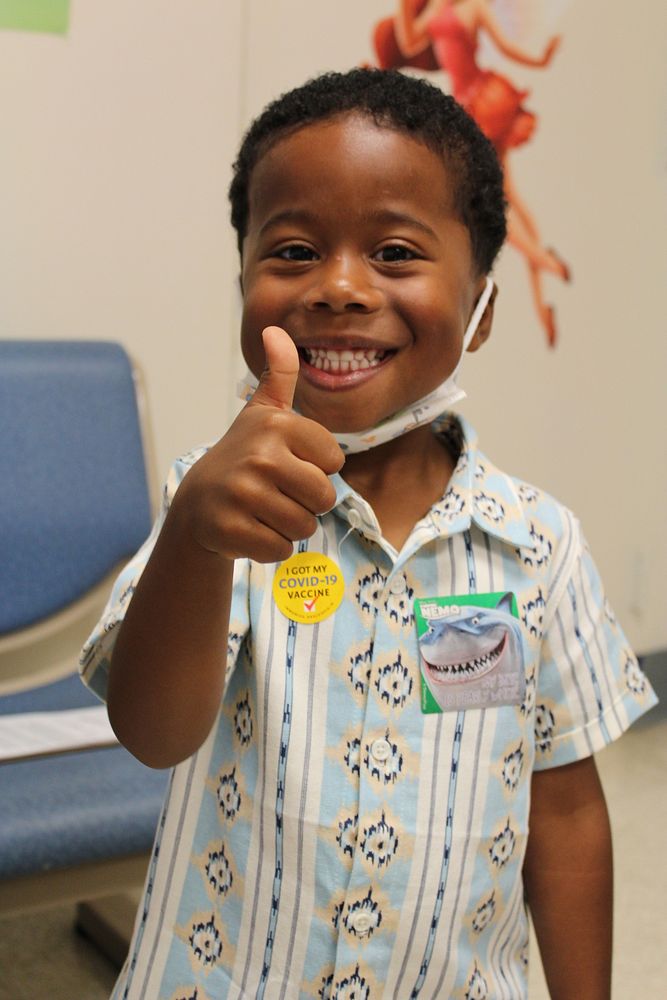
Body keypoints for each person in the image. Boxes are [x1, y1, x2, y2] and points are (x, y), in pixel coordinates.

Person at [80, 68, 656, 999]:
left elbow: (565, 812)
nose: (340, 289)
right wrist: (194, 538)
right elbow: (151, 732)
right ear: (244, 285)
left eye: (394, 252)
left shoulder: (534, 545)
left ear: (481, 309)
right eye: (295, 251)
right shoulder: (211, 505)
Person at [373, 0, 570, 346]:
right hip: (480, 100)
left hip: (480, 102)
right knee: (511, 198)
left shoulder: (464, 8)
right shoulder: (445, 9)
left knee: (496, 202)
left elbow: (502, 46)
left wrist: (541, 60)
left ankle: (543, 261)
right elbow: (411, 43)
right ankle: (542, 301)